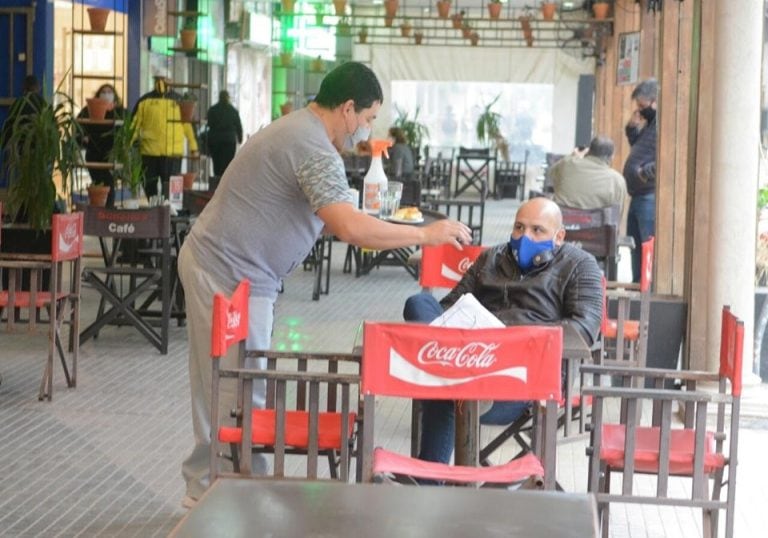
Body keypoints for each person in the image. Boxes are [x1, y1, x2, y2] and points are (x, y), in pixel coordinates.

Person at [177, 61, 472, 506]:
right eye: (369, 118)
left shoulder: (304, 133)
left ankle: (234, 491)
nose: (366, 129)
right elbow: (351, 229)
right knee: (232, 388)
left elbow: (340, 220)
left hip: (241, 272)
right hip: (224, 270)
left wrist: (384, 222)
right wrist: (425, 235)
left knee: (239, 385)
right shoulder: (311, 145)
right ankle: (214, 500)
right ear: (349, 109)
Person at [403, 197, 603, 466]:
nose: (525, 236)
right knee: (419, 303)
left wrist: (511, 343)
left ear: (559, 236)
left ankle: (427, 485)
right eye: (519, 227)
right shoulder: (491, 257)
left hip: (523, 379)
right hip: (469, 359)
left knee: (448, 394)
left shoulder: (580, 265)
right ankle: (454, 378)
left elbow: (583, 330)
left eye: (537, 230)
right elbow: (448, 307)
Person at [131, 70, 198, 199]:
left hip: (172, 153)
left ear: (171, 80)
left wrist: (194, 148)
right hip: (149, 152)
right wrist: (127, 146)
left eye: (165, 79)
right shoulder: (145, 101)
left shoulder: (180, 101)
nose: (161, 82)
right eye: (158, 79)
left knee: (172, 187)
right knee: (149, 185)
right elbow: (134, 125)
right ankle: (154, 208)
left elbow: (188, 126)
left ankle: (171, 210)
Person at [623, 78, 657, 283]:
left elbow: (666, 158)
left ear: (655, 102)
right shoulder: (650, 125)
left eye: (643, 106)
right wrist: (632, 128)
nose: (640, 110)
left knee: (645, 244)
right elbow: (638, 145)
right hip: (637, 195)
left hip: (649, 196)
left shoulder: (663, 125)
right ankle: (637, 284)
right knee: (635, 244)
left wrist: (645, 172)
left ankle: (644, 286)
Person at [77, 84, 125, 208]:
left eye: (109, 92)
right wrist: (83, 139)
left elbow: (127, 130)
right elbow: (77, 129)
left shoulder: (119, 112)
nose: (106, 94)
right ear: (98, 95)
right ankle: (102, 211)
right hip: (94, 154)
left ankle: (105, 211)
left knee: (107, 184)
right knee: (100, 183)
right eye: (103, 92)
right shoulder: (89, 110)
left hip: (111, 154)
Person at [551, 135, 627, 212]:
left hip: (561, 221)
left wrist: (573, 157)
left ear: (588, 151)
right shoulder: (617, 180)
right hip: (596, 223)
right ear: (611, 158)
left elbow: (551, 176)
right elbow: (616, 215)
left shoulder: (567, 164)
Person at [205, 90, 243, 187]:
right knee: (228, 164)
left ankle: (217, 184)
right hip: (229, 140)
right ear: (228, 97)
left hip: (215, 140)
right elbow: (238, 126)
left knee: (217, 164)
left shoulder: (212, 110)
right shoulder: (233, 111)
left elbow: (209, 124)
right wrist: (240, 138)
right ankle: (225, 185)